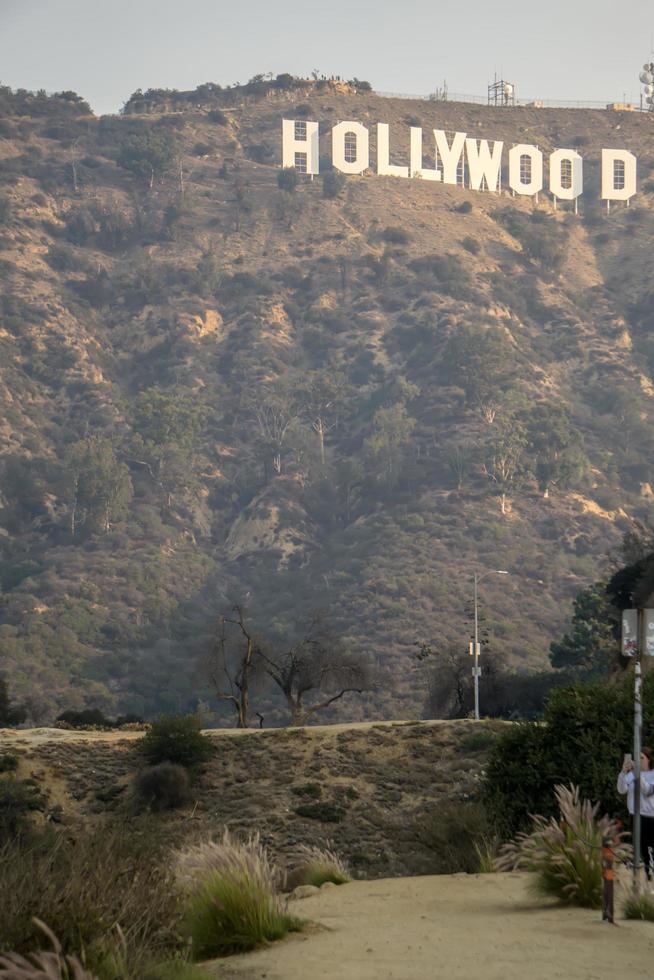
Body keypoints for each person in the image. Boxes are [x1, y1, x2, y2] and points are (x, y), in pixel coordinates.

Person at [617, 747, 654, 881]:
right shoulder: (632, 774)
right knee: (642, 848)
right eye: (637, 758)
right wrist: (623, 772)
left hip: (650, 817)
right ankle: (646, 877)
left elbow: (648, 791)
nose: (638, 761)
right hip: (634, 815)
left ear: (649, 760)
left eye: (642, 758)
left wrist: (636, 774)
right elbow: (621, 789)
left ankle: (650, 875)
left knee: (650, 849)